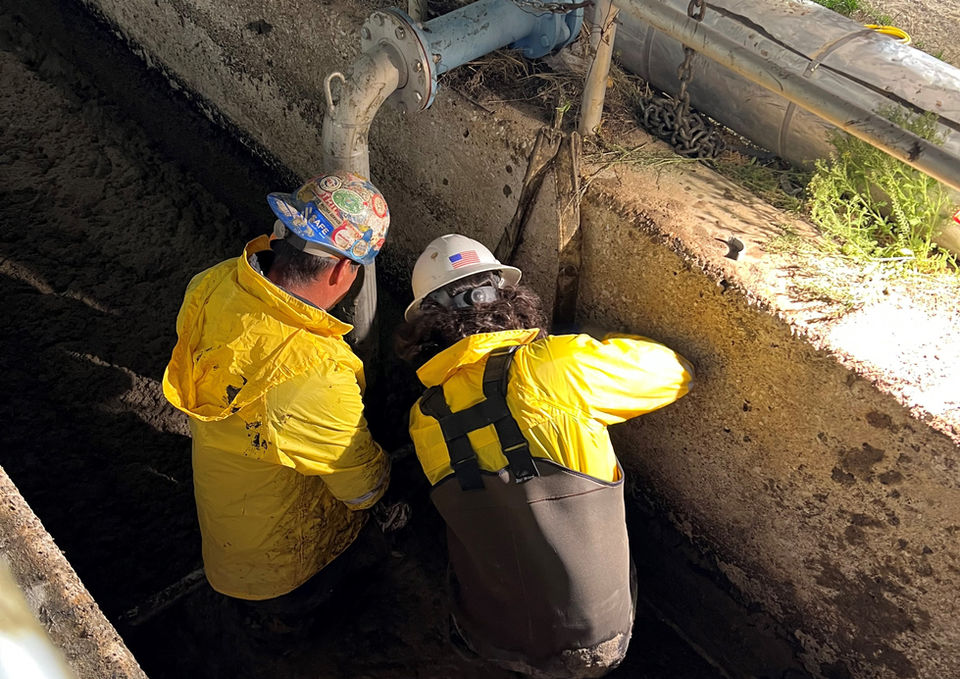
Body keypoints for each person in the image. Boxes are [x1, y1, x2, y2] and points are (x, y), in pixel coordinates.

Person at [397, 234, 694, 678]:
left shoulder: (424, 418)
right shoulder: (559, 365)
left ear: (428, 326)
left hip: (487, 634)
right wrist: (591, 342)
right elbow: (677, 373)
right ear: (507, 296)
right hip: (597, 640)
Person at [162, 171, 392, 632]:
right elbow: (363, 489)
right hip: (283, 571)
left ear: (281, 232)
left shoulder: (213, 284)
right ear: (342, 270)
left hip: (229, 532)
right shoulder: (315, 374)